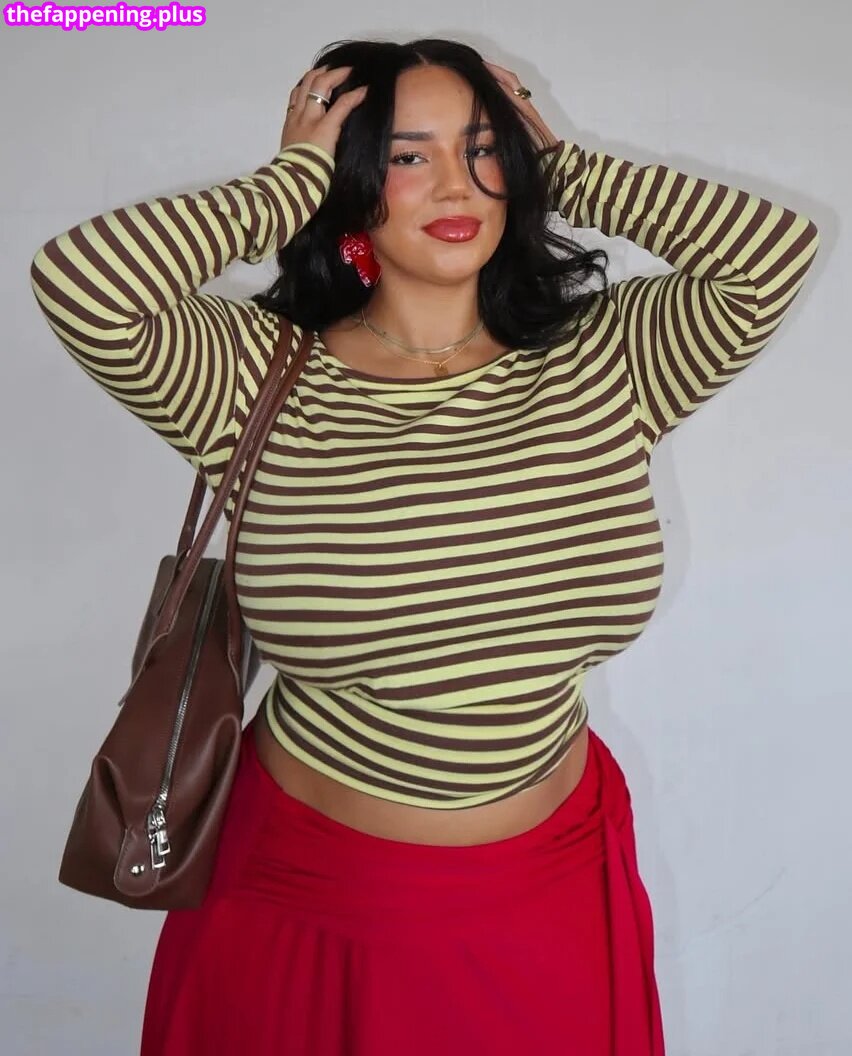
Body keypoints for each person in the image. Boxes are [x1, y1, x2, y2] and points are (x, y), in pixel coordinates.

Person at [29, 36, 820, 1056]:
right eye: (408, 156)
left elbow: (772, 256)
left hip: (555, 892)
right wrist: (290, 185)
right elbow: (80, 282)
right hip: (318, 899)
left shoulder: (605, 362)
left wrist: (564, 167)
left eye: (482, 148)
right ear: (353, 180)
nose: (456, 184)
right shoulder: (253, 375)